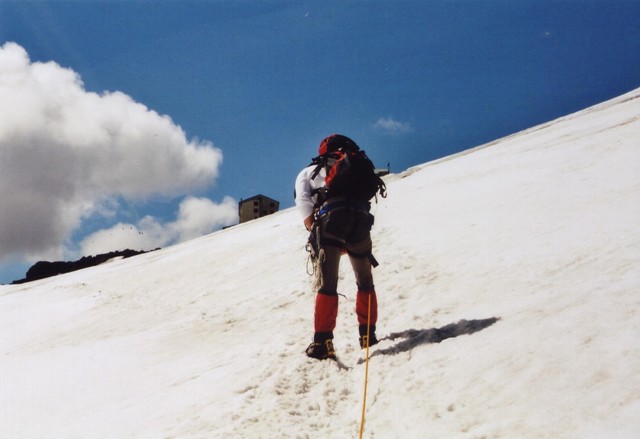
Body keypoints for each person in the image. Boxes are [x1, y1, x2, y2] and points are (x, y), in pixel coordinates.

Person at [294, 134, 380, 360]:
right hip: (360, 219)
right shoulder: (354, 166)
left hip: (331, 220)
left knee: (328, 284)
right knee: (365, 280)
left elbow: (304, 203)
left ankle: (323, 342)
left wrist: (319, 233)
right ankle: (368, 335)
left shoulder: (308, 172)